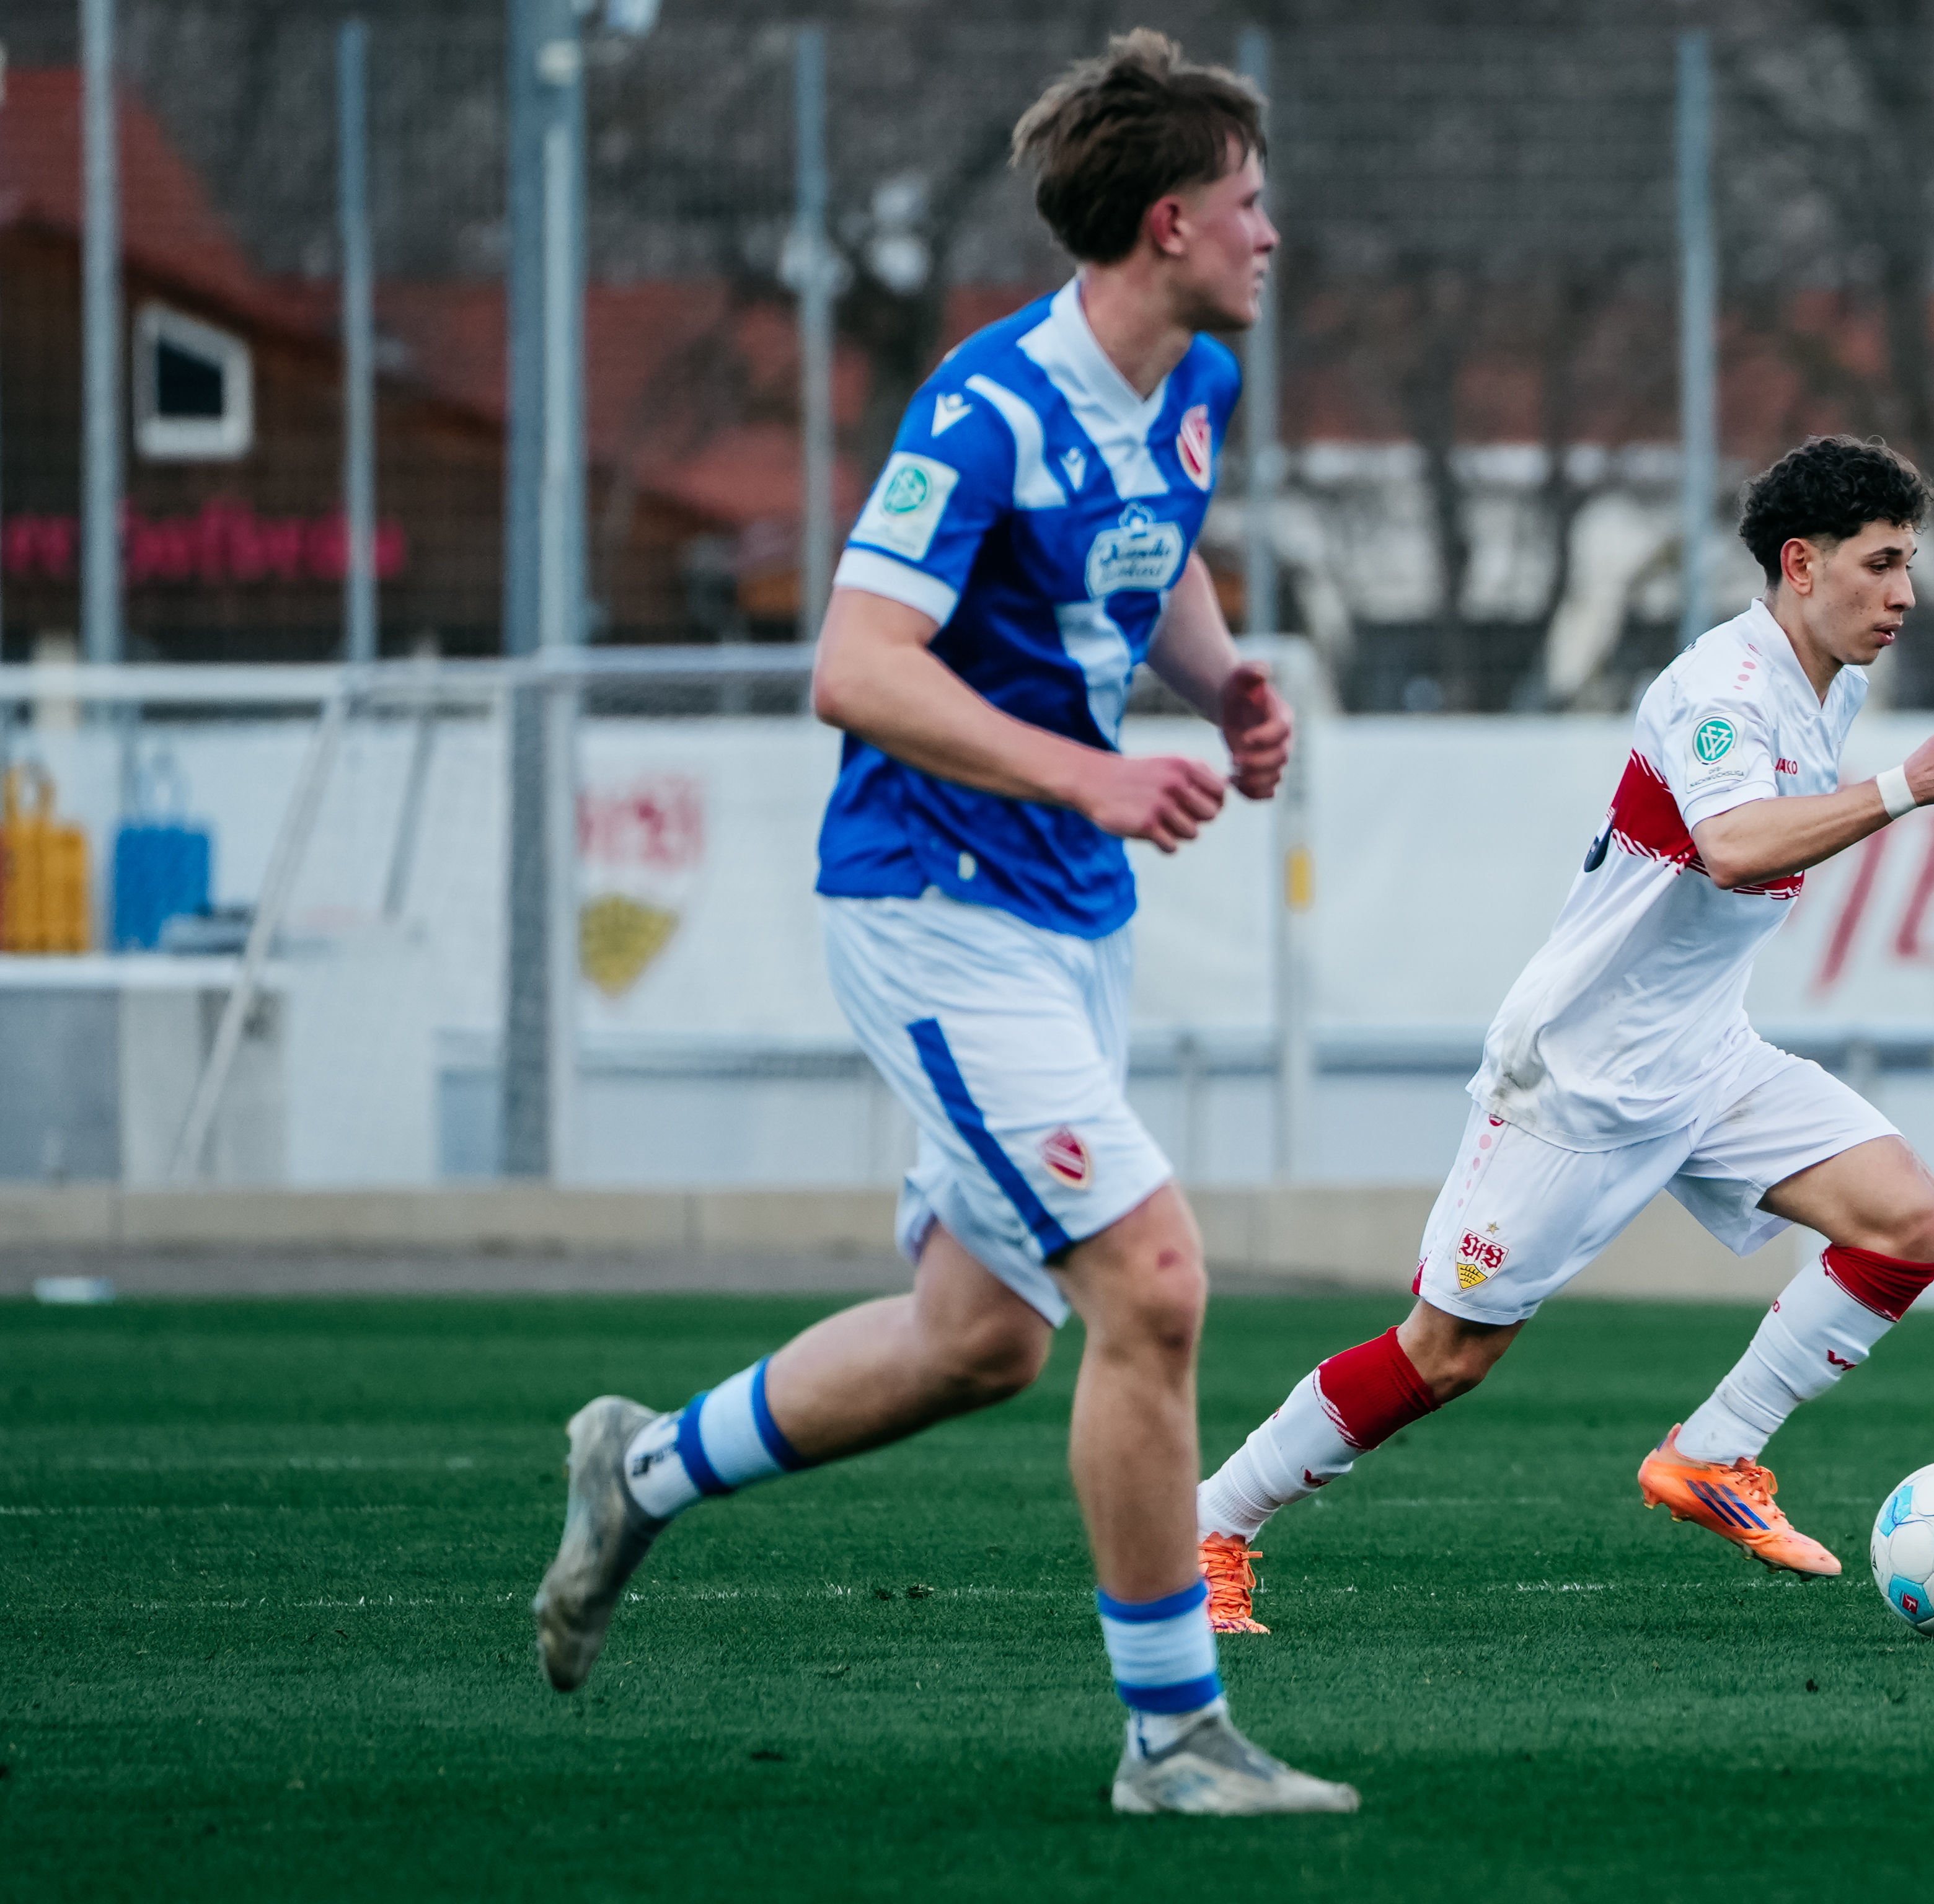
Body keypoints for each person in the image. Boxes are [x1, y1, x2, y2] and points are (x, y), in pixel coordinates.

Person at [529, 32, 1354, 1817]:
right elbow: (854, 666)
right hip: (934, 906)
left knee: (982, 1335)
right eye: (1247, 204)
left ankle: (641, 1473)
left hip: (1065, 914)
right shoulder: (984, 411)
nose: (1270, 233)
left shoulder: (1191, 384)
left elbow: (1155, 550)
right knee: (1151, 1286)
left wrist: (1218, 688)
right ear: (1165, 223)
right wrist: (1089, 775)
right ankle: (1171, 1738)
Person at [1188, 436, 1934, 1629]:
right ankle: (1211, 1522)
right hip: (1579, 1075)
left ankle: (1714, 1454)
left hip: (1704, 1054)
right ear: (1799, 564)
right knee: (1442, 1356)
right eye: (1880, 565)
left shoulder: (1834, 684)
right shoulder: (1714, 689)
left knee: (1908, 1224)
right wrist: (1899, 790)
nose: (1904, 594)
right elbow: (1731, 848)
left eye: (1909, 565)